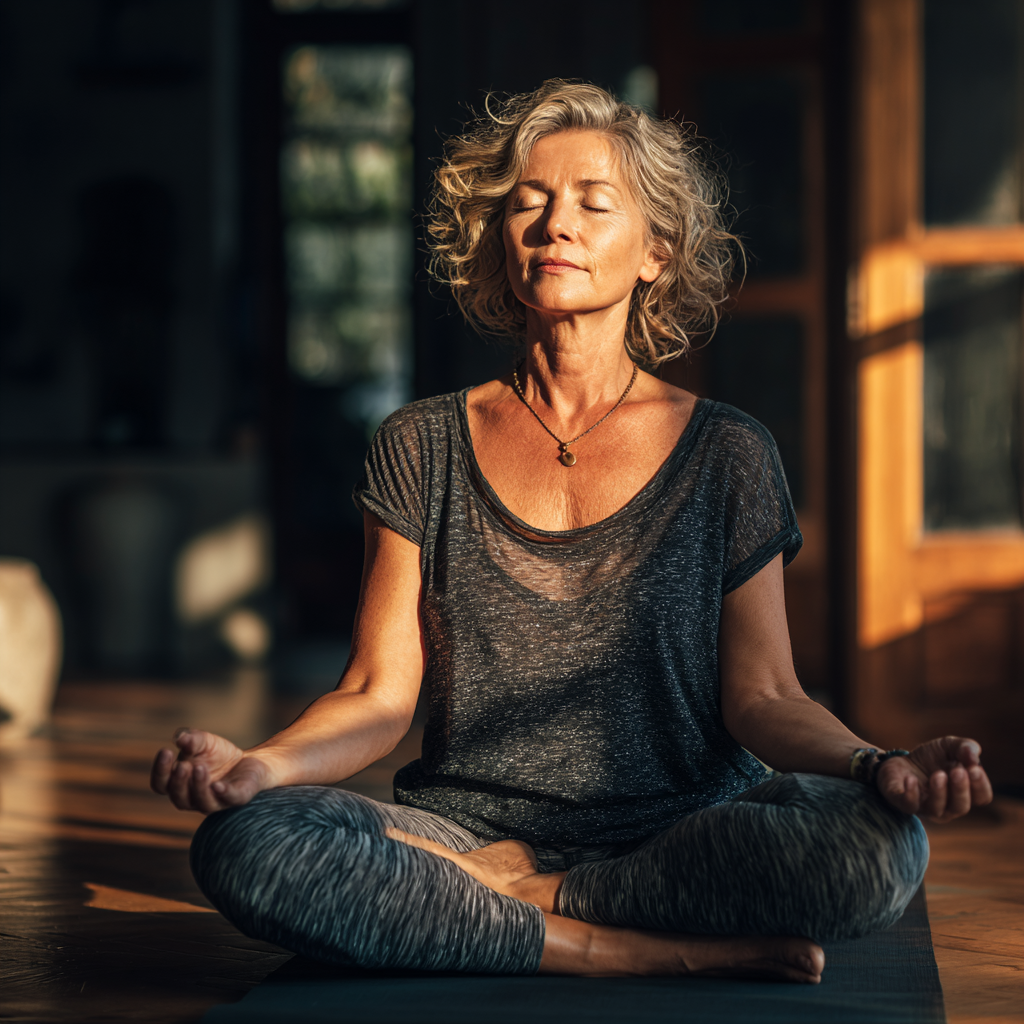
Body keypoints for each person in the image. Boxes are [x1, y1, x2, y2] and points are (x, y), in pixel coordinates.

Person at [151, 81, 992, 983]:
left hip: (683, 830)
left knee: (876, 850)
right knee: (250, 840)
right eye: (529, 204)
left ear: (655, 254)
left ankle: (518, 902)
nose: (557, 225)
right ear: (499, 242)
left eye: (594, 205)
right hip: (465, 832)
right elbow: (374, 696)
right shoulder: (421, 443)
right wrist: (258, 768)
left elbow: (768, 699)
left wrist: (878, 765)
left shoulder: (729, 453)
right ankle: (611, 946)